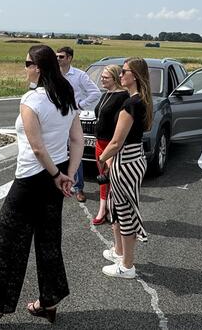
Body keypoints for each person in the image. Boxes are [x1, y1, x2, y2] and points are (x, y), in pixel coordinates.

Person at [0, 45, 83, 326]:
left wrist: (56, 175)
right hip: (58, 176)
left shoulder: (32, 99)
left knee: (3, 242)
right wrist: (68, 175)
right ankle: (49, 301)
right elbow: (77, 140)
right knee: (48, 240)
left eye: (27, 63)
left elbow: (37, 147)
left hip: (33, 178)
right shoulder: (66, 95)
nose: (25, 67)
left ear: (38, 68)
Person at [98, 57, 153, 279]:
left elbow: (116, 142)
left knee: (125, 213)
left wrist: (102, 158)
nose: (121, 75)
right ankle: (120, 253)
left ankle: (127, 266)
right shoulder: (140, 100)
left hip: (126, 161)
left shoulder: (131, 103)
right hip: (133, 158)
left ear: (135, 76)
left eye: (124, 71)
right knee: (118, 208)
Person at [56, 46, 100, 203]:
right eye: (57, 56)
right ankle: (60, 183)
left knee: (76, 153)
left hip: (73, 118)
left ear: (69, 58)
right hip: (56, 119)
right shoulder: (53, 74)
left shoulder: (80, 75)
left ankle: (79, 188)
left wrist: (79, 106)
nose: (58, 59)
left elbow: (95, 93)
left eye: (61, 56)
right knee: (58, 151)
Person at [91, 65, 129, 225]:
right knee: (103, 178)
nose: (102, 79)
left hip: (111, 144)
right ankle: (102, 209)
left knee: (112, 178)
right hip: (99, 142)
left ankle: (113, 209)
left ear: (115, 78)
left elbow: (120, 124)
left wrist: (113, 147)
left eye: (106, 77)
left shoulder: (123, 96)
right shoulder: (106, 93)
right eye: (102, 76)